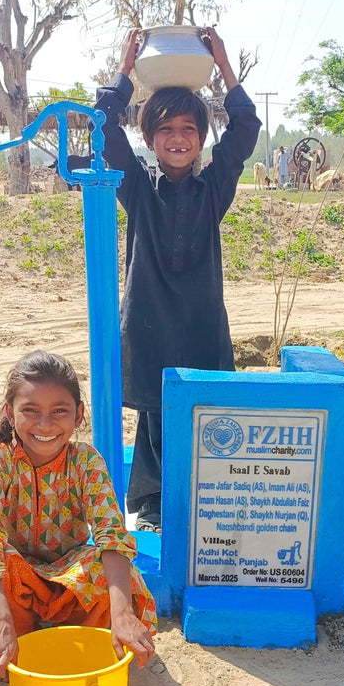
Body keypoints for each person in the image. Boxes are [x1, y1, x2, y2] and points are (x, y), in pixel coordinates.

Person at [94, 27, 261, 533]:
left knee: (206, 412)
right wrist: (125, 69)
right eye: (165, 129)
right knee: (154, 413)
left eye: (189, 128)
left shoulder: (214, 188)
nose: (178, 137)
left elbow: (246, 128)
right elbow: (104, 128)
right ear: (149, 139)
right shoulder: (137, 188)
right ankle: (149, 504)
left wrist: (224, 63)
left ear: (202, 138)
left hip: (201, 321)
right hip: (149, 319)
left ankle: (203, 497)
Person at [0, 350, 157, 679]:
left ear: (78, 415)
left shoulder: (86, 462)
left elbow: (111, 534)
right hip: (19, 580)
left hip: (70, 575)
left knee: (111, 573)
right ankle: (17, 649)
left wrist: (123, 613)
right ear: (10, 413)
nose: (45, 424)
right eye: (30, 411)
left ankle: (88, 650)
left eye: (59, 411)